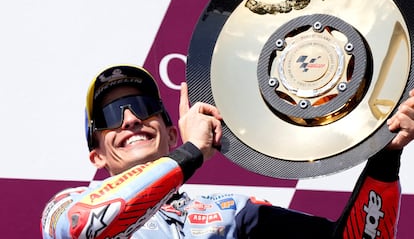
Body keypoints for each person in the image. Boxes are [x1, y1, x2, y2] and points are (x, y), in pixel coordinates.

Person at [41, 64, 414, 239]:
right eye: (110, 115)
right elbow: (85, 227)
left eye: (142, 106)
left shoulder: (231, 212)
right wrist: (190, 154)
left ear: (170, 132)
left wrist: (385, 157)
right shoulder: (66, 206)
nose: (130, 120)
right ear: (97, 157)